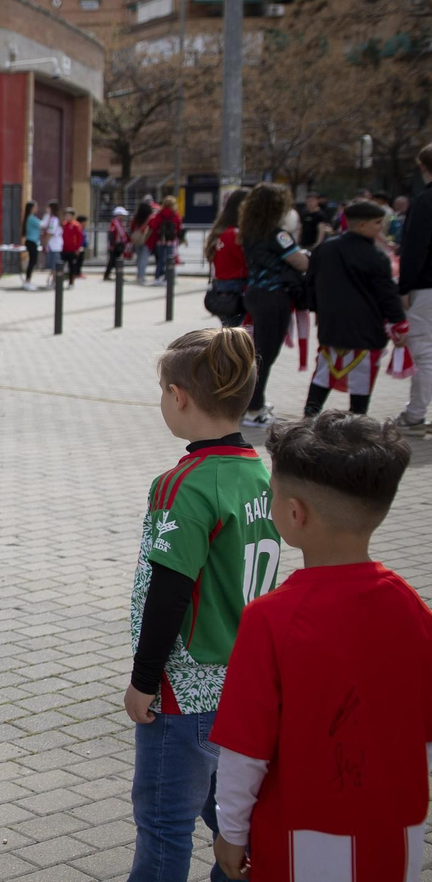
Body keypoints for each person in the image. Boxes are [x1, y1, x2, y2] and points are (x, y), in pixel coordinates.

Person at [210, 412, 427, 882]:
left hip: (297, 840)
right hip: (397, 832)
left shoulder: (269, 617)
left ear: (294, 513)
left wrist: (230, 831)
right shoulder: (411, 606)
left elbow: (245, 750)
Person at [124, 326, 281, 882]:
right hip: (245, 680)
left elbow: (167, 592)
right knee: (231, 819)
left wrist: (143, 679)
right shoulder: (259, 472)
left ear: (179, 397)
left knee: (165, 821)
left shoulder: (183, 484)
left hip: (185, 688)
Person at [304, 202, 407, 418]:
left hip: (330, 327)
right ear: (361, 225)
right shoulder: (376, 256)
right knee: (361, 380)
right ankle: (357, 424)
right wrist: (399, 323)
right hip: (366, 330)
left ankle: (308, 418)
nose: (381, 228)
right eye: (378, 222)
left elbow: (310, 284)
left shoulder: (325, 248)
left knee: (323, 374)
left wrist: (317, 310)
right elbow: (387, 294)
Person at [239, 183, 309, 428]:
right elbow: (300, 263)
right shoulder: (278, 234)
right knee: (265, 356)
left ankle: (252, 403)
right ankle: (254, 409)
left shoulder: (249, 232)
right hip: (274, 297)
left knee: (259, 354)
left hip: (255, 294)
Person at [396, 143, 432, 433]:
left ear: (423, 167)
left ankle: (415, 415)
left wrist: (404, 286)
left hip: (426, 288)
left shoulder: (424, 202)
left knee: (424, 353)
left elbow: (415, 248)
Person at [204, 190, 248, 328]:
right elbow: (246, 261)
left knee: (229, 331)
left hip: (221, 287)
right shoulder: (235, 234)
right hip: (236, 288)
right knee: (235, 336)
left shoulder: (220, 232)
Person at [147, 195, 183, 285]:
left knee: (160, 260)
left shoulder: (159, 214)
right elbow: (179, 226)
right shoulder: (175, 214)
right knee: (170, 260)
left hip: (161, 240)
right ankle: (169, 278)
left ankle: (157, 277)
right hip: (171, 240)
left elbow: (154, 226)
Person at [131, 194, 157, 284]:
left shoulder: (136, 216)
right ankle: (142, 276)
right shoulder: (150, 217)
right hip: (147, 240)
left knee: (138, 258)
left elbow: (131, 227)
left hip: (137, 239)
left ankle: (139, 274)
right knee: (144, 258)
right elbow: (153, 228)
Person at [104, 206, 129, 281]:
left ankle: (115, 275)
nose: (123, 217)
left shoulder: (120, 223)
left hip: (118, 245)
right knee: (113, 261)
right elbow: (111, 234)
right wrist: (111, 245)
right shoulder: (115, 223)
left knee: (115, 261)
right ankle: (111, 275)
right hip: (115, 245)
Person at [42, 200, 63, 288]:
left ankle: (55, 282)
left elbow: (50, 233)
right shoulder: (51, 218)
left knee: (55, 265)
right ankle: (52, 280)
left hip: (55, 246)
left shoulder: (54, 220)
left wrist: (44, 243)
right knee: (52, 265)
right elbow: (43, 224)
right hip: (52, 245)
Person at [22, 200, 42, 291]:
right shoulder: (31, 218)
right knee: (32, 262)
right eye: (35, 207)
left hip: (33, 242)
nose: (37, 208)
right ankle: (27, 281)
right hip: (31, 242)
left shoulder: (31, 217)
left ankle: (28, 281)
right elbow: (43, 224)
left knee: (33, 262)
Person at [62, 208, 84, 287]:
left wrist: (77, 248)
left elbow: (80, 237)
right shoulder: (63, 224)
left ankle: (71, 282)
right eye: (65, 215)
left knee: (72, 266)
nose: (66, 217)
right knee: (61, 265)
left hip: (72, 250)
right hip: (63, 249)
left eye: (68, 215)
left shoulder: (76, 225)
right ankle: (59, 280)